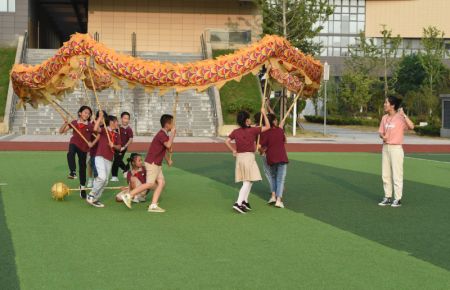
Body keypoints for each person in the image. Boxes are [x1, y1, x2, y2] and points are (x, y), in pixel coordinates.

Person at [121, 114, 176, 213]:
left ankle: (153, 205)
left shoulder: (164, 135)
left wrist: (168, 159)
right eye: (172, 123)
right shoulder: (161, 134)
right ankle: (129, 195)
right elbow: (168, 145)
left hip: (157, 164)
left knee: (161, 183)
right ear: (167, 125)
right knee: (150, 183)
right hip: (152, 163)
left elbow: (165, 149)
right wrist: (173, 134)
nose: (174, 124)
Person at [225, 109, 270, 214]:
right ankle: (238, 203)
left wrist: (233, 150)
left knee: (250, 180)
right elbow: (268, 126)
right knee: (247, 181)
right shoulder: (253, 130)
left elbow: (226, 141)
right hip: (248, 157)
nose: (250, 120)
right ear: (246, 121)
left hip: (240, 157)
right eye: (248, 118)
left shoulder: (236, 131)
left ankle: (245, 201)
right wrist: (264, 114)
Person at [377, 95, 414, 208]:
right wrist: (382, 136)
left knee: (397, 174)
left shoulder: (400, 117)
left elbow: (412, 126)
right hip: (385, 148)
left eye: (386, 103)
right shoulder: (384, 118)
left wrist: (404, 115)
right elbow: (380, 132)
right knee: (385, 174)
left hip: (396, 149)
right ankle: (387, 197)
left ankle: (397, 199)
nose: (384, 104)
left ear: (392, 105)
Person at [86, 112, 121, 208]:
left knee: (105, 181)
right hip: (100, 156)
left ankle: (95, 199)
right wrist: (100, 117)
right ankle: (91, 194)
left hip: (109, 159)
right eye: (117, 121)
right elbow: (95, 128)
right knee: (101, 177)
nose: (118, 123)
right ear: (112, 122)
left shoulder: (117, 134)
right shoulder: (104, 130)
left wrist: (113, 145)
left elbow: (119, 147)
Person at [59, 105, 93, 198]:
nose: (87, 114)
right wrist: (65, 123)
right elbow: (61, 131)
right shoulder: (74, 122)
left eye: (89, 113)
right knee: (70, 153)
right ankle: (72, 172)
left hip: (84, 148)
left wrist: (91, 143)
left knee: (82, 168)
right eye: (85, 112)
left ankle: (82, 188)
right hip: (74, 143)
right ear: (80, 113)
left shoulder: (90, 125)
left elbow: (97, 135)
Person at [259, 113, 289, 208]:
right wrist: (281, 129)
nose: (277, 121)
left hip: (271, 158)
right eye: (275, 120)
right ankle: (278, 200)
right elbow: (285, 140)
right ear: (273, 121)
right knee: (280, 179)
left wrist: (262, 151)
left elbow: (261, 146)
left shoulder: (264, 132)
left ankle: (273, 196)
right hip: (281, 157)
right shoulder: (280, 130)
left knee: (273, 177)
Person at [111, 112, 134, 181]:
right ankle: (126, 169)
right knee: (118, 160)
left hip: (123, 148)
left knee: (116, 161)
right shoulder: (118, 127)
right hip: (116, 147)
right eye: (124, 118)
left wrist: (124, 147)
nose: (126, 120)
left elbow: (130, 140)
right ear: (121, 119)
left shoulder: (129, 129)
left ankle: (114, 176)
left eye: (127, 119)